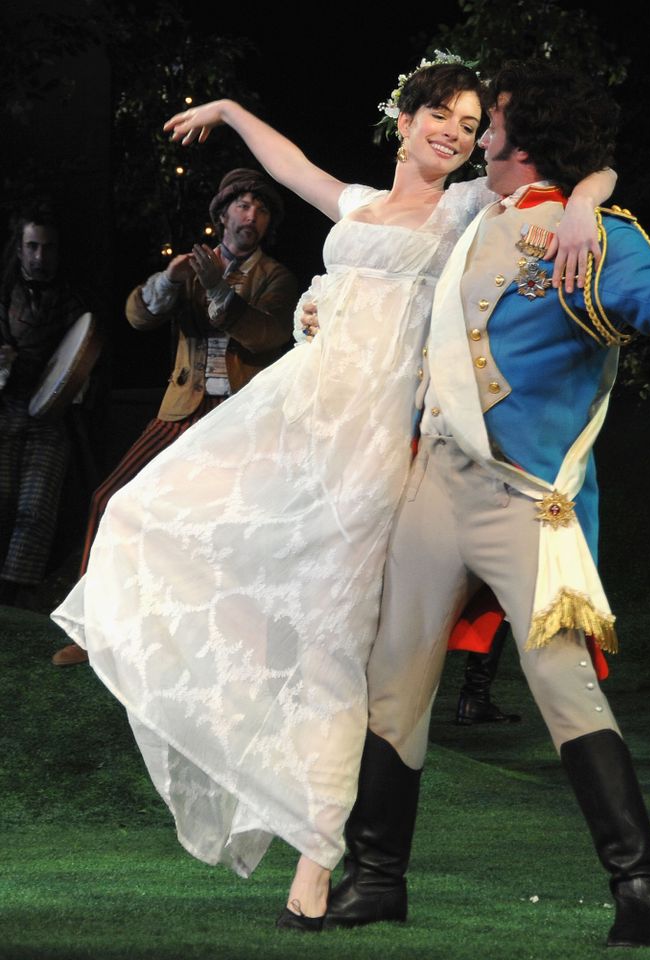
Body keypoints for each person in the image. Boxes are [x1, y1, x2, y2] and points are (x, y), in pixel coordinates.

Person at [51, 57, 617, 925]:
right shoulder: (358, 203)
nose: (457, 135)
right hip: (301, 411)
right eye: (444, 116)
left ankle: (317, 862)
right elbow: (291, 168)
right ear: (407, 118)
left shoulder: (468, 208)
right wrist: (234, 109)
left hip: (378, 439)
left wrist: (581, 203)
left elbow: (590, 175)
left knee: (334, 637)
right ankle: (275, 770)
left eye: (471, 127)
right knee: (145, 511)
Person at [320, 61, 650, 948]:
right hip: (432, 487)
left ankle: (639, 888)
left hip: (527, 507)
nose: (476, 130)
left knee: (564, 692)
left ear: (523, 132)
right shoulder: (476, 209)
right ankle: (376, 880)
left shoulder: (593, 237)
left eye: (492, 116)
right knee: (393, 687)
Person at [51, 168, 300, 665]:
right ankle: (93, 627)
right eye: (244, 206)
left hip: (239, 417)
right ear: (223, 214)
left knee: (231, 528)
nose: (252, 216)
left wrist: (221, 294)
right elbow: (137, 316)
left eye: (262, 209)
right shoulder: (191, 266)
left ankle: (219, 641)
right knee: (110, 500)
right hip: (183, 410)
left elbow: (267, 336)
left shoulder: (274, 276)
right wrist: (168, 281)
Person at [0, 203, 87, 606]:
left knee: (36, 509)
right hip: (4, 408)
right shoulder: (3, 295)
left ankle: (18, 595)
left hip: (50, 415)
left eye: (47, 248)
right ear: (19, 249)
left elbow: (82, 361)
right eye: (32, 246)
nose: (40, 257)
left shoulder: (75, 301)